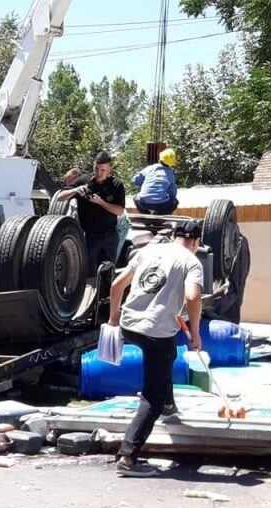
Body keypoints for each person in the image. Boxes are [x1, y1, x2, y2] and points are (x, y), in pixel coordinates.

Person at [108, 220, 204, 477]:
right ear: (195, 241)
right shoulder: (191, 262)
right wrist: (195, 333)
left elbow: (117, 284)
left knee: (167, 356)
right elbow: (194, 297)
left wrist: (113, 318)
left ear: (174, 235)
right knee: (153, 395)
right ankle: (128, 457)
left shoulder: (147, 250)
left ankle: (169, 405)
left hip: (130, 325)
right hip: (156, 332)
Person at [55, 151, 126, 276]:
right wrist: (75, 190)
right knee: (89, 273)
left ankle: (105, 293)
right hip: (90, 236)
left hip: (110, 234)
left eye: (103, 170)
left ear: (110, 169)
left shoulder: (116, 185)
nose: (99, 173)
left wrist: (100, 202)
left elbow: (119, 211)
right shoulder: (84, 181)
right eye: (96, 169)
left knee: (108, 273)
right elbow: (60, 197)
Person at [131, 148, 178, 215]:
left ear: (160, 158)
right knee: (175, 200)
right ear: (172, 163)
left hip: (144, 203)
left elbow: (134, 180)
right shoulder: (170, 174)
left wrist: (146, 183)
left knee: (135, 198)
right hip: (162, 204)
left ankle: (146, 215)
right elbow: (172, 192)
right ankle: (161, 215)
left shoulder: (149, 168)